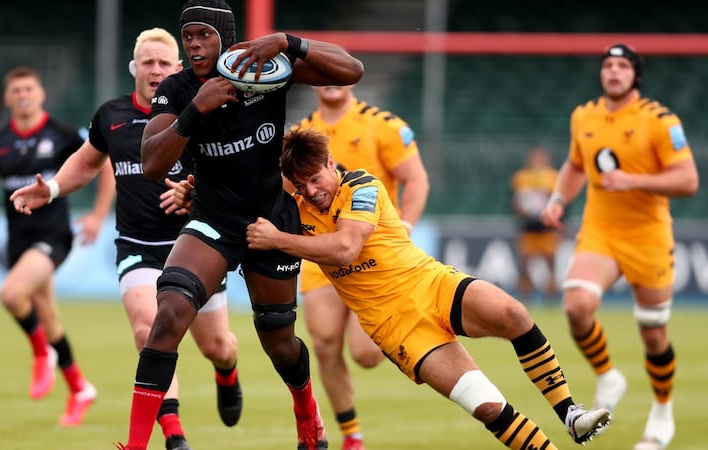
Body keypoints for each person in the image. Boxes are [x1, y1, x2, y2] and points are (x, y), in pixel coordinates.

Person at [245, 127, 612, 450]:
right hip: (395, 326)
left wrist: (278, 240)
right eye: (301, 183)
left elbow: (345, 249)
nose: (311, 190)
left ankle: (570, 413)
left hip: (431, 283)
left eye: (316, 179)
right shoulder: (293, 209)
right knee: (486, 406)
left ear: (330, 162)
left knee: (513, 313)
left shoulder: (361, 185)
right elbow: (245, 196)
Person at [109, 1, 363, 448]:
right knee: (166, 316)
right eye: (187, 37)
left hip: (272, 221)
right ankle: (135, 445)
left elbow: (350, 71)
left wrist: (288, 42)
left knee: (279, 343)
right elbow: (151, 163)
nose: (193, 45)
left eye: (203, 35)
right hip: (213, 220)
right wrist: (194, 112)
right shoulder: (179, 88)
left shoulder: (264, 69)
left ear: (225, 37)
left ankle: (308, 416)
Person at [9, 28, 242, 450]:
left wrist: (195, 191)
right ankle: (174, 436)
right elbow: (86, 162)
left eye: (163, 63)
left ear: (178, 68)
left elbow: (229, 173)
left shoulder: (201, 109)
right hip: (137, 247)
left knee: (218, 345)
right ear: (135, 68)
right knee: (148, 330)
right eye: (147, 62)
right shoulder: (111, 116)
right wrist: (54, 189)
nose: (155, 70)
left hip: (195, 246)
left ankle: (227, 372)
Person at [540, 43, 699, 450]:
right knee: (576, 306)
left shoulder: (659, 120)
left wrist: (634, 181)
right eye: (607, 65)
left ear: (636, 76)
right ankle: (608, 376)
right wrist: (559, 198)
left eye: (623, 65)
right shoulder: (584, 116)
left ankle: (662, 413)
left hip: (648, 236)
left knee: (653, 334)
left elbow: (687, 180)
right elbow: (576, 165)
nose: (613, 71)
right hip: (601, 231)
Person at [294, 85, 429, 450]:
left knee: (366, 354)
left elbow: (416, 179)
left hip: (370, 254)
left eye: (336, 74)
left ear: (351, 78)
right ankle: (351, 436)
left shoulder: (381, 125)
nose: (330, 81)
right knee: (323, 343)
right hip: (322, 250)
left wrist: (408, 226)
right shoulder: (302, 134)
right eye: (322, 75)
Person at [0, 66, 97, 427]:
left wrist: (99, 214)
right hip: (17, 240)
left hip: (53, 234)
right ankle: (80, 389)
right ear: (8, 98)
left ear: (41, 94)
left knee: (11, 295)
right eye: (16, 90)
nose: (23, 95)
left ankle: (42, 356)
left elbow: (104, 162)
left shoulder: (64, 134)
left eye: (29, 89)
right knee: (50, 321)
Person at [510, 146, 561, 303]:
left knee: (550, 261)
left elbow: (559, 200)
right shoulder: (520, 177)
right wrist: (522, 212)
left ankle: (550, 294)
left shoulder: (554, 176)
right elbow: (514, 201)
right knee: (524, 262)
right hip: (529, 227)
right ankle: (525, 292)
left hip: (547, 227)